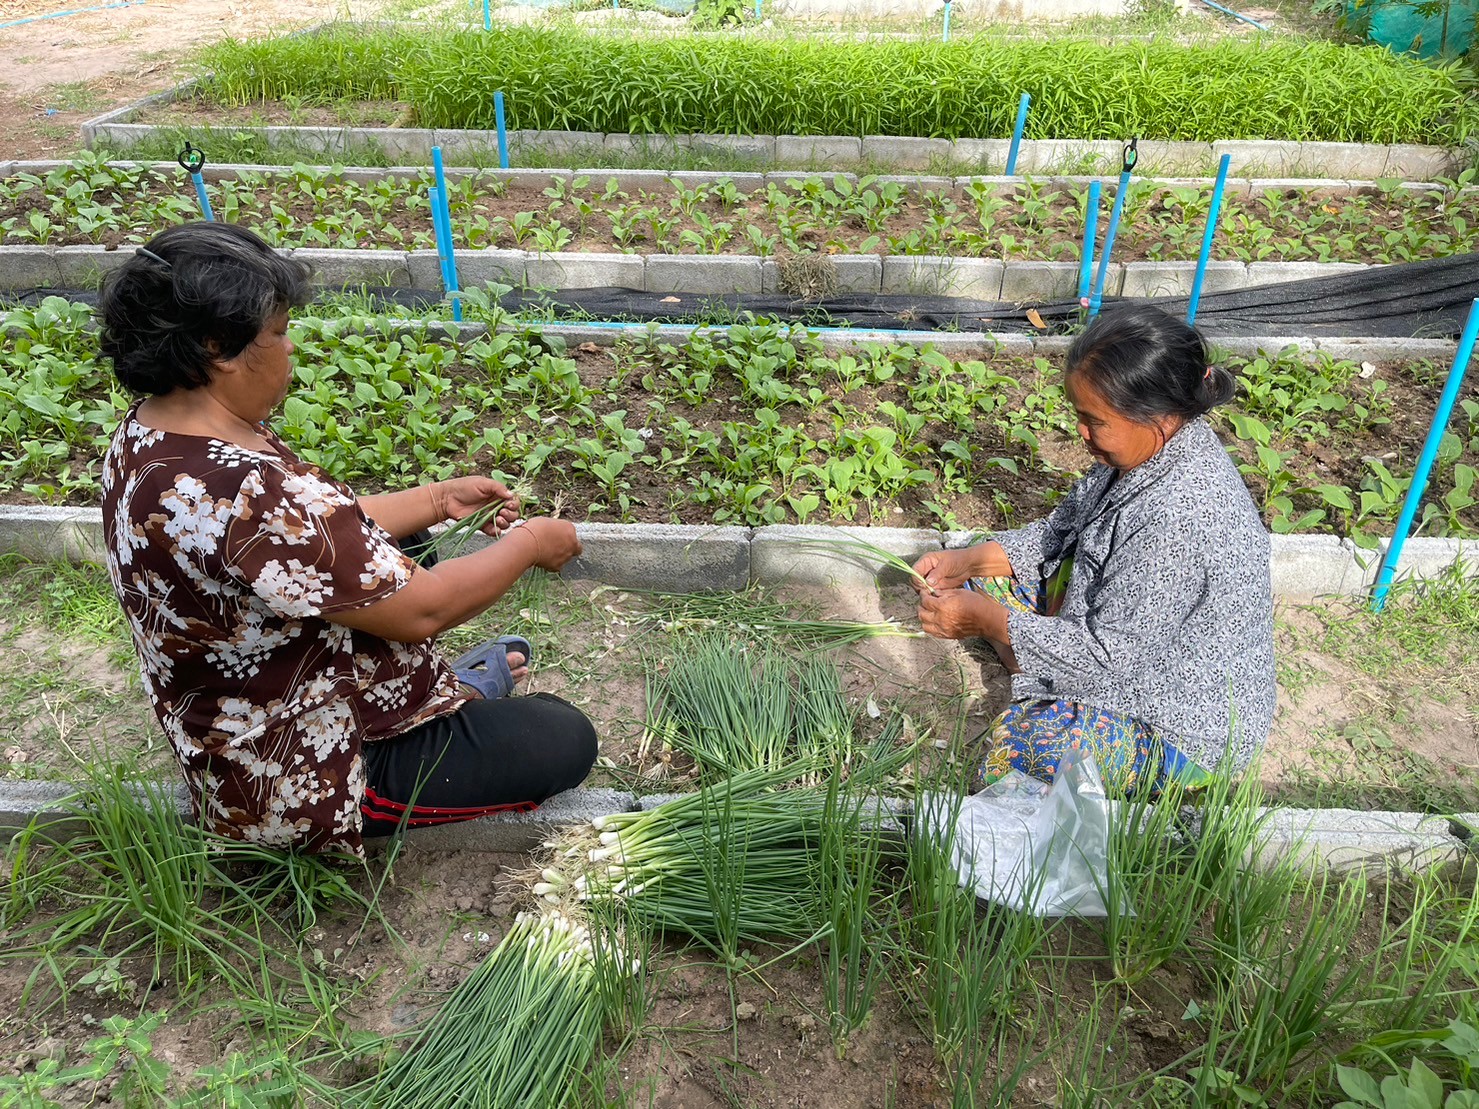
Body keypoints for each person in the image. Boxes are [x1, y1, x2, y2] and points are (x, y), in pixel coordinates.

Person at [98, 222, 597, 855]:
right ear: (218, 349)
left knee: (406, 538)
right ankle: (426, 724)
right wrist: (529, 545)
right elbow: (425, 609)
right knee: (562, 736)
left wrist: (438, 501)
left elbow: (306, 534)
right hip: (294, 774)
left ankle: (433, 697)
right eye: (278, 332)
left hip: (246, 704)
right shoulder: (245, 489)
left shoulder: (156, 438)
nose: (290, 347)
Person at [911, 305, 1275, 797]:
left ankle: (1038, 668)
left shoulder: (1181, 513)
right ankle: (1035, 658)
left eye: (1093, 420)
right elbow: (1059, 532)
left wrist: (990, 623)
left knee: (1022, 751)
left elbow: (1109, 656)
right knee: (982, 575)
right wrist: (967, 560)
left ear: (1158, 418)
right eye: (1079, 415)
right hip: (1119, 643)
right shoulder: (1138, 451)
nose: (1080, 433)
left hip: (1175, 718)